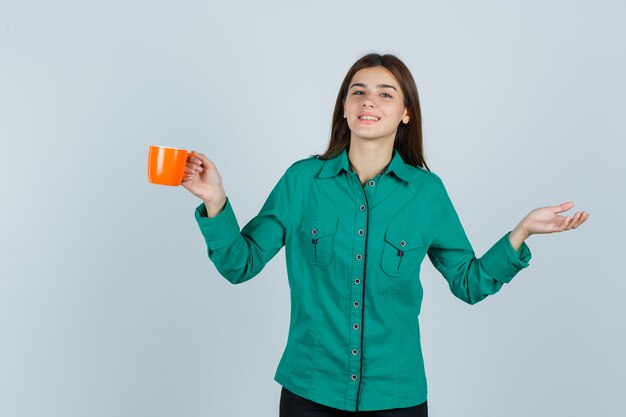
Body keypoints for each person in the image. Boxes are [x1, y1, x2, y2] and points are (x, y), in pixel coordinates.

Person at [180, 53, 589, 417]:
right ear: (344, 107)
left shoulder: (427, 194)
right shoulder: (302, 182)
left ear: (406, 113)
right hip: (309, 391)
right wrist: (215, 199)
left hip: (396, 398)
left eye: (385, 93)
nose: (368, 100)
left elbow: (470, 283)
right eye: (357, 91)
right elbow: (240, 264)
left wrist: (522, 232)